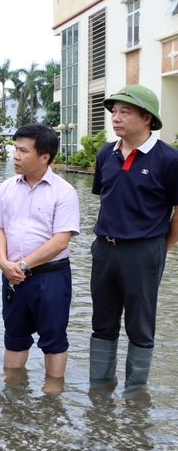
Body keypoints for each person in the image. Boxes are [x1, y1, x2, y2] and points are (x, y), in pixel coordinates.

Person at [88, 85, 178, 398]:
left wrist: (160, 249)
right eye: (114, 111)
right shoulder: (106, 154)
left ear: (146, 117)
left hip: (144, 250)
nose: (116, 117)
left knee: (140, 324)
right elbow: (107, 199)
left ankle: (136, 392)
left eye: (125, 111)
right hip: (104, 249)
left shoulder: (169, 159)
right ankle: (100, 388)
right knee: (102, 322)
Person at [0, 124, 79, 392]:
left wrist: (23, 265)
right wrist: (3, 262)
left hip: (50, 277)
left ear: (45, 157)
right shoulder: (7, 187)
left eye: (22, 150)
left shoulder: (63, 192)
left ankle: (53, 392)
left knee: (53, 338)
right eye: (15, 148)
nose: (15, 155)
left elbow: (60, 241)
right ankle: (13, 388)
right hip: (12, 276)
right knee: (14, 336)